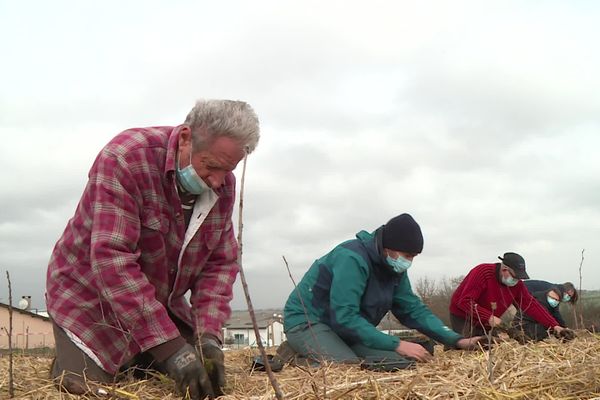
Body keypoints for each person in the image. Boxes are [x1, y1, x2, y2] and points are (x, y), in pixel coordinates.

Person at [46, 100, 260, 399]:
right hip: (89, 298)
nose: (218, 181)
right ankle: (77, 356)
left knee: (201, 375)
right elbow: (112, 260)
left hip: (156, 303)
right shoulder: (125, 158)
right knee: (85, 386)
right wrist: (172, 350)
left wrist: (208, 337)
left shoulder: (221, 183)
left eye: (228, 170)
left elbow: (219, 264)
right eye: (211, 166)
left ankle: (143, 352)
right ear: (185, 138)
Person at [282, 213, 482, 369]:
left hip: (345, 329)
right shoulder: (351, 258)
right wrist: (398, 344)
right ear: (389, 247)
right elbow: (345, 317)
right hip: (310, 321)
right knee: (345, 367)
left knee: (395, 363)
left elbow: (413, 310)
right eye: (407, 255)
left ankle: (332, 348)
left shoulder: (393, 269)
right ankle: (296, 355)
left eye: (414, 257)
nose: (409, 262)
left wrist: (456, 339)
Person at [449, 252, 569, 339]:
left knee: (491, 346)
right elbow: (464, 301)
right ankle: (450, 345)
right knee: (468, 346)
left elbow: (532, 305)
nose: (516, 280)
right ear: (504, 269)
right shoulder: (482, 272)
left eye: (519, 277)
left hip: (487, 321)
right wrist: (489, 317)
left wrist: (555, 326)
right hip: (463, 316)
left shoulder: (517, 285)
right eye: (514, 276)